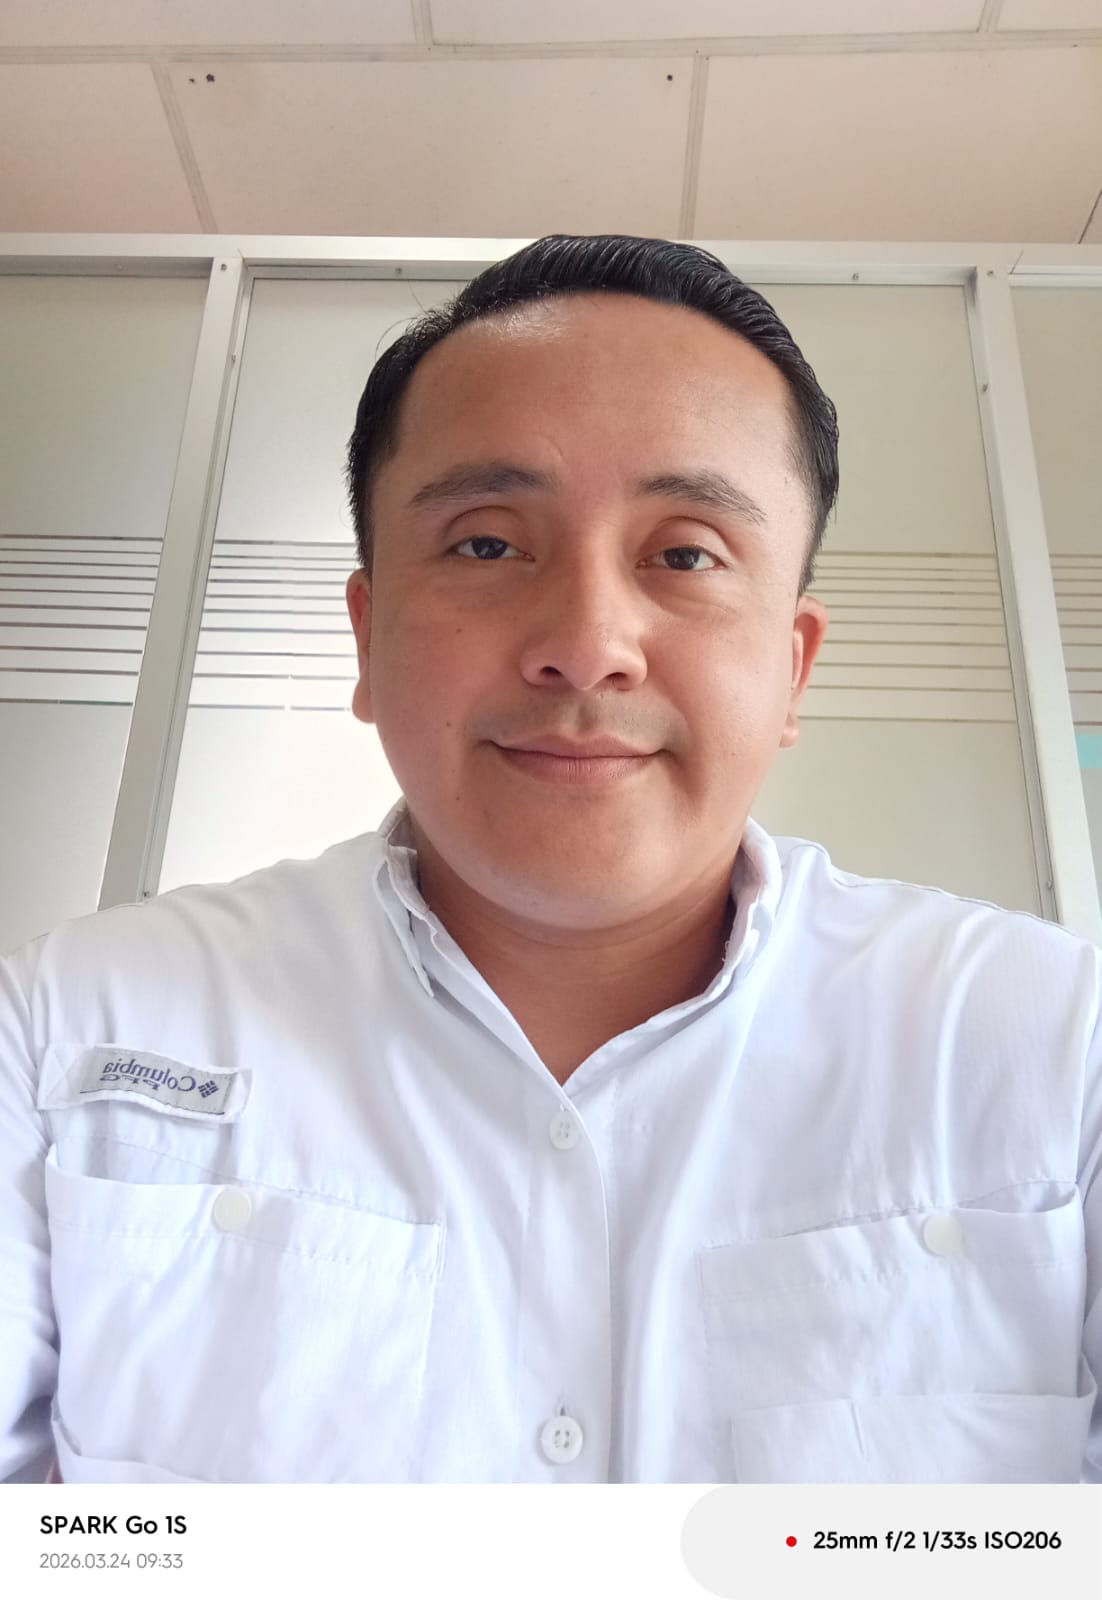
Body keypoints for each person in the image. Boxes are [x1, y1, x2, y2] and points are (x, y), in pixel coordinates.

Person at [2, 233, 1100, 1486]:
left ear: (791, 665)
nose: (586, 643)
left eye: (683, 553)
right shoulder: (64, 1028)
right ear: (368, 635)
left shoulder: (1055, 1050)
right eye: (485, 543)